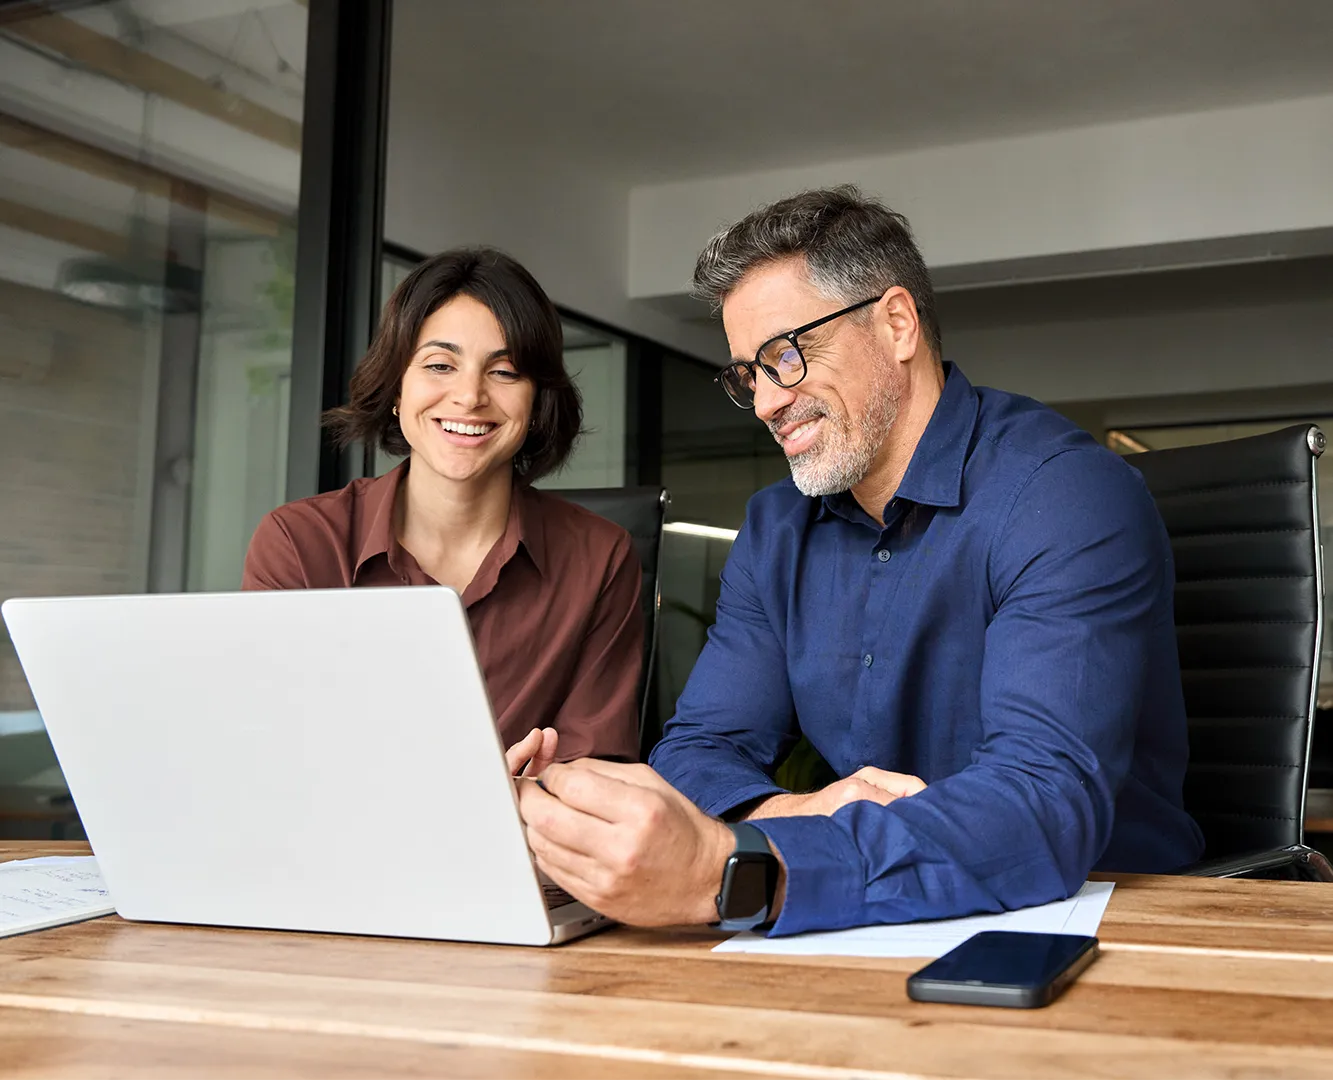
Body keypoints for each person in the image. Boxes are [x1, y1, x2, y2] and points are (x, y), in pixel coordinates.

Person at [517, 186, 1204, 935]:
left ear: (897, 323)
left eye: (786, 354)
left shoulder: (1063, 495)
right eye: (748, 373)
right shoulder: (776, 528)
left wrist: (749, 870)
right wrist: (794, 813)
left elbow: (1037, 807)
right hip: (862, 919)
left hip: (1104, 918)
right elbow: (698, 751)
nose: (766, 403)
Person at [243, 247, 643, 775]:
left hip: (522, 854)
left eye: (504, 372)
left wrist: (536, 795)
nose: (470, 396)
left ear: (536, 398)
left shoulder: (600, 558)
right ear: (396, 387)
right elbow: (267, 750)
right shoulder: (299, 544)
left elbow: (598, 773)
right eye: (440, 365)